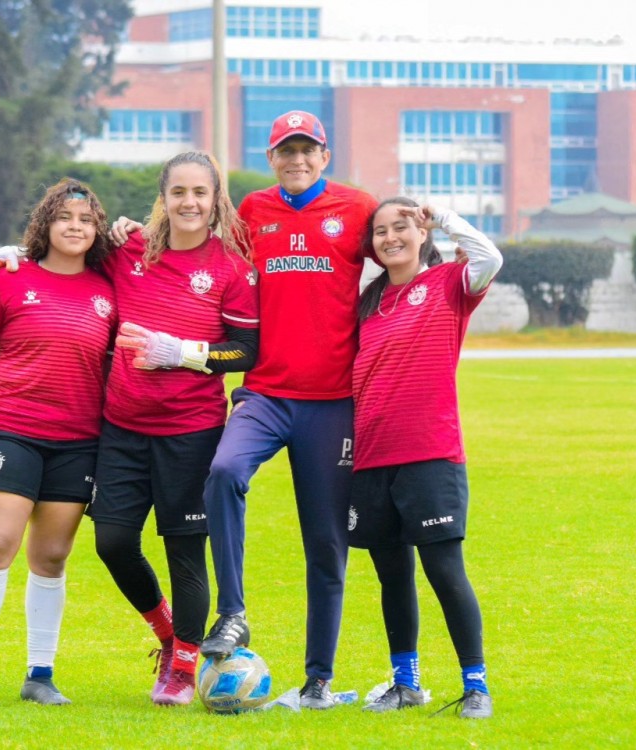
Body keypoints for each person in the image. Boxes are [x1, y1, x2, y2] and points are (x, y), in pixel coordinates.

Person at [110, 111, 378, 708]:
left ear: (325, 155)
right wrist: (130, 225)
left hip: (332, 402)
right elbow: (186, 224)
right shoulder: (251, 212)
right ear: (272, 156)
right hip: (264, 393)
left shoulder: (358, 208)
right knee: (226, 471)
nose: (298, 160)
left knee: (326, 543)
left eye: (308, 150)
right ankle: (233, 614)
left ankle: (318, 679)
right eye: (287, 150)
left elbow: (401, 252)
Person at [0, 151, 260, 706]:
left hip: (191, 431)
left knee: (184, 552)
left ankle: (180, 669)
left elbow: (248, 349)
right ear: (163, 197)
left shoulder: (232, 268)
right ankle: (168, 633)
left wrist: (187, 353)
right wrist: (7, 255)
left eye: (200, 192)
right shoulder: (127, 250)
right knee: (113, 542)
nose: (189, 203)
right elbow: (61, 247)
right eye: (178, 192)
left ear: (216, 198)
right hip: (121, 429)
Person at [0, 178, 117, 709]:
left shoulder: (110, 288)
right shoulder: (10, 280)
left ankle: (40, 674)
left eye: (86, 220)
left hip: (79, 441)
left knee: (53, 556)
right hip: (11, 429)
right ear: (46, 224)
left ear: (97, 229)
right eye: (65, 217)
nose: (75, 227)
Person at [349, 197, 501, 719]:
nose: (391, 237)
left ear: (421, 234)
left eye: (402, 227)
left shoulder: (447, 284)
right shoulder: (367, 303)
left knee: (443, 570)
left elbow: (490, 258)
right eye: (381, 231)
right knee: (392, 575)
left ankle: (476, 685)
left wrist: (445, 220)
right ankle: (405, 682)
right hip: (371, 459)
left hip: (430, 455)